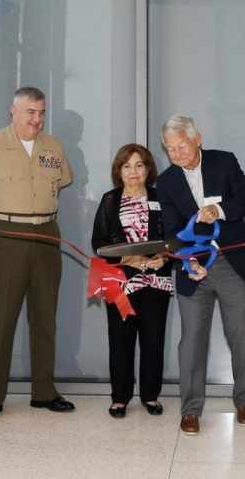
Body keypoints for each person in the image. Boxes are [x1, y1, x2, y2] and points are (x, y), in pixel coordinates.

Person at [0, 86, 75, 422]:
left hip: (47, 232)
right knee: (1, 317)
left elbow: (63, 180)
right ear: (14, 111)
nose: (36, 119)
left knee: (44, 315)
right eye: (30, 112)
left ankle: (44, 391)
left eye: (41, 112)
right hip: (5, 233)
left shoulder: (53, 146)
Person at [156, 115, 245, 436]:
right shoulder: (166, 182)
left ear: (197, 138)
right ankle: (190, 410)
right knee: (192, 341)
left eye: (182, 146)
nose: (177, 154)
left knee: (240, 334)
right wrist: (189, 261)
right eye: (170, 149)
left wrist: (219, 210)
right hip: (194, 269)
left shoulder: (224, 162)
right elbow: (173, 232)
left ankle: (244, 401)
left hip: (234, 261)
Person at [91, 144, 174, 419]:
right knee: (121, 339)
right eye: (127, 165)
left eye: (139, 165)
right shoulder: (110, 200)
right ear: (119, 171)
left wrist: (165, 257)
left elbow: (174, 238)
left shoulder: (162, 197)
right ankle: (120, 398)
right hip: (121, 282)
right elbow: (99, 243)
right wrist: (127, 261)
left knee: (153, 340)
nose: (133, 171)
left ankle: (150, 396)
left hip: (156, 281)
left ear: (148, 168)